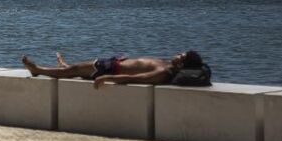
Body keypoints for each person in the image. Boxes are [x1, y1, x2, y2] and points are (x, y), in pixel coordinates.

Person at [21, 50, 204, 90]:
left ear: (183, 64)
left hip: (110, 69)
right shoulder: (165, 65)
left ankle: (38, 70)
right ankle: (63, 64)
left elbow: (140, 78)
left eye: (181, 55)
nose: (178, 54)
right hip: (112, 64)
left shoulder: (163, 72)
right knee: (74, 70)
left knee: (74, 70)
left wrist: (108, 77)